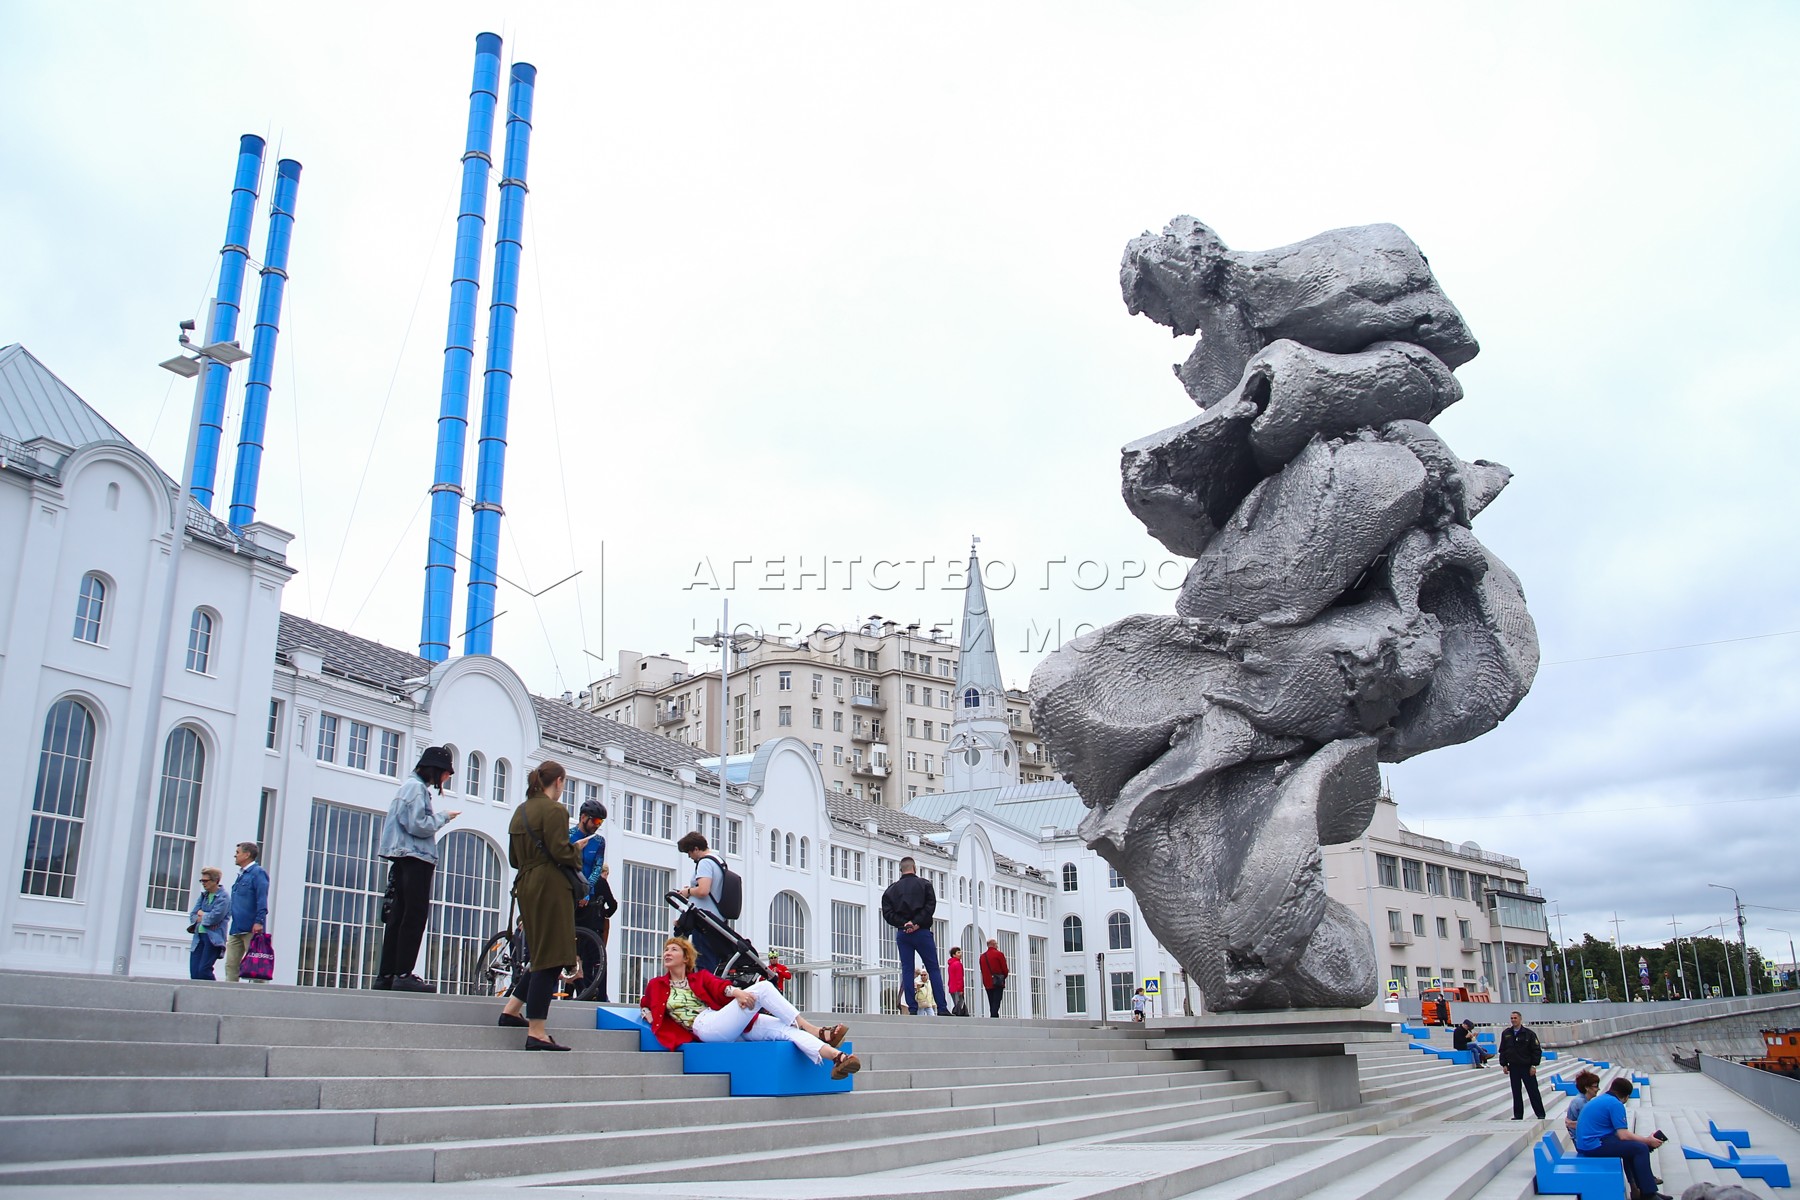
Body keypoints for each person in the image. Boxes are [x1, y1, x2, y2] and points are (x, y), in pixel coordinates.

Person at [641, 936, 861, 1080]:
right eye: (665, 950)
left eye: (673, 949)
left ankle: (839, 1057)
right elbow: (647, 1004)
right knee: (763, 988)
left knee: (787, 1030)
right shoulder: (657, 985)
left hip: (723, 1021)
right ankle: (816, 1030)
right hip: (705, 1027)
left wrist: (735, 992)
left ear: (685, 957)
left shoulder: (699, 977)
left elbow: (719, 987)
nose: (667, 953)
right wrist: (648, 1014)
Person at [495, 761, 582, 1050]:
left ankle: (511, 1010)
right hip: (550, 886)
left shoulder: (520, 812)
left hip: (526, 884)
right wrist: (575, 850)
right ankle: (537, 1031)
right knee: (553, 956)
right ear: (558, 781)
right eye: (564, 783)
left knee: (541, 952)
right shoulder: (555, 810)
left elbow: (513, 859)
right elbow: (560, 851)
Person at [375, 746, 460, 992]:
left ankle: (388, 974)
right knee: (414, 915)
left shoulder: (408, 787)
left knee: (398, 916)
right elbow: (418, 825)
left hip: (402, 856)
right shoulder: (416, 789)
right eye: (445, 773)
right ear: (436, 769)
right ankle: (403, 973)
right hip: (416, 857)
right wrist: (444, 817)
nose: (445, 778)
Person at [1574, 1076, 1672, 1200]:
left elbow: (1620, 1135)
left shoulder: (1604, 1099)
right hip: (1593, 1145)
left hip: (1588, 1143)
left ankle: (1644, 1190)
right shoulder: (1615, 1104)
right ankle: (1648, 1194)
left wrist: (1645, 1140)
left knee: (1632, 1148)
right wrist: (1648, 1141)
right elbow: (1623, 1135)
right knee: (1640, 1148)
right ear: (1626, 1096)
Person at [880, 856, 948, 1017]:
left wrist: (905, 924)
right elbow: (930, 906)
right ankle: (943, 1007)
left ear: (900, 870)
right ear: (915, 868)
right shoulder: (925, 885)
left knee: (907, 970)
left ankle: (911, 1007)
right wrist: (916, 923)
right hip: (922, 932)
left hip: (903, 934)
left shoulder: (891, 890)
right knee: (933, 968)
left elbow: (888, 913)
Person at [571, 798, 611, 1000]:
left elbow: (597, 867)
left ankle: (589, 991)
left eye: (601, 824)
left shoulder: (599, 841)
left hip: (588, 898)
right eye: (595, 822)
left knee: (588, 948)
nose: (597, 826)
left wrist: (586, 892)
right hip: (568, 893)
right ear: (584, 818)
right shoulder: (568, 836)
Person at [674, 831, 729, 974]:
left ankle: (706, 994)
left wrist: (688, 891)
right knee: (713, 962)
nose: (689, 856)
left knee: (704, 963)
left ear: (696, 849)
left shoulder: (704, 862)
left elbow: (703, 890)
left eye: (689, 852)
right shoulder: (718, 861)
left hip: (704, 922)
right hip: (716, 920)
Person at [223, 842, 269, 983]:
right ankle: (230, 996)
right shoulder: (241, 875)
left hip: (252, 929)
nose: (235, 855)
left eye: (238, 852)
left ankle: (259, 997)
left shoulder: (258, 873)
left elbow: (262, 898)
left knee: (256, 964)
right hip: (236, 928)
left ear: (247, 854)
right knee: (231, 964)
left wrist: (259, 921)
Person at [1498, 1009, 1545, 1119]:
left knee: (1533, 1091)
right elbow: (1503, 1050)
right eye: (1512, 1018)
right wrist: (1504, 1064)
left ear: (1520, 1019)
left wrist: (1534, 1065)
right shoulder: (1506, 1034)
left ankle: (1540, 1114)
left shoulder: (1529, 1034)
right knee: (1516, 1092)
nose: (1513, 1020)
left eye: (1515, 1018)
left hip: (1527, 1067)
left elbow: (1536, 1050)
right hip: (1513, 1067)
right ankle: (1518, 1115)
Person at [187, 866, 229, 979]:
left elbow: (215, 917)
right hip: (198, 936)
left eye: (206, 881)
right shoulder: (203, 896)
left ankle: (214, 994)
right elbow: (193, 915)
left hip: (213, 939)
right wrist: (202, 916)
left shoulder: (223, 897)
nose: (203, 883)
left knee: (204, 970)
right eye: (202, 881)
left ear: (215, 881)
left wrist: (203, 914)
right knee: (195, 971)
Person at [587, 862, 620, 1001]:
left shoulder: (582, 879)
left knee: (582, 960)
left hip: (580, 925)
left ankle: (583, 991)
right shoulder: (601, 882)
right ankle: (600, 995)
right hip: (595, 925)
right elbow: (613, 904)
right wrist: (605, 914)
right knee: (599, 960)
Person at [1564, 1070, 1601, 1135]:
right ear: (1587, 1088)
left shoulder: (1583, 1100)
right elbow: (1589, 1124)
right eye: (1595, 1086)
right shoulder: (1580, 1102)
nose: (1598, 1089)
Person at [979, 938, 1009, 1018]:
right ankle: (994, 1017)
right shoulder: (999, 954)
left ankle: (994, 1016)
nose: (997, 946)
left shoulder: (982, 956)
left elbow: (982, 969)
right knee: (997, 1001)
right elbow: (1004, 969)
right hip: (997, 981)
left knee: (991, 1001)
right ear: (994, 945)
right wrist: (1003, 977)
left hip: (987, 982)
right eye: (996, 944)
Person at [947, 947, 968, 1016]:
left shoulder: (951, 965)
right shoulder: (958, 964)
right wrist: (961, 989)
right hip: (957, 988)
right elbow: (959, 978)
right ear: (954, 955)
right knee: (960, 1005)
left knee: (957, 1003)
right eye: (958, 952)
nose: (960, 954)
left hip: (952, 987)